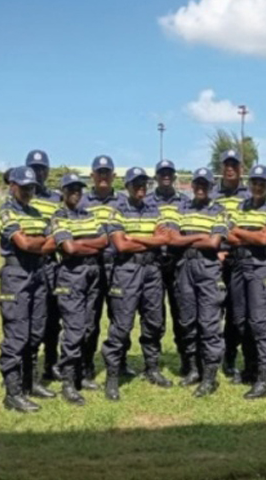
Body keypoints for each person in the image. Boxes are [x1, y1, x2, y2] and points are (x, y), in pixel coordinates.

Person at [102, 167, 176, 401]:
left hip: (152, 271)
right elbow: (121, 246)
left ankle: (151, 368)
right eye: (136, 184)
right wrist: (152, 240)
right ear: (127, 186)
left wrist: (134, 237)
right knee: (122, 325)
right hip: (126, 271)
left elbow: (166, 239)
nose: (140, 188)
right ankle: (113, 376)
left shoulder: (155, 210)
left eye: (144, 183)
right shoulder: (117, 211)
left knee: (154, 322)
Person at [0, 166, 57, 412]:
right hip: (16, 274)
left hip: (38, 274)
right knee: (17, 335)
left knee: (36, 332)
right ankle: (12, 393)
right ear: (12, 186)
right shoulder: (6, 211)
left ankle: (30, 383)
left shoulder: (36, 213)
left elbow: (54, 241)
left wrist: (36, 243)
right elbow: (22, 243)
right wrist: (39, 242)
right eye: (23, 187)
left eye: (32, 188)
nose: (28, 191)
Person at [50, 173, 109, 405]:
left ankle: (82, 374)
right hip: (72, 275)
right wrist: (85, 245)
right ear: (62, 192)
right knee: (74, 329)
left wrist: (80, 243)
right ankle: (68, 382)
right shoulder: (58, 216)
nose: (75, 192)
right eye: (71, 189)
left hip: (93, 273)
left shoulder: (89, 215)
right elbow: (69, 248)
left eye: (78, 189)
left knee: (89, 326)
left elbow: (104, 241)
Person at [226, 164, 266, 400]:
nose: (258, 186)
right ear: (249, 184)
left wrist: (241, 232)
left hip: (262, 268)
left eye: (262, 183)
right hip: (240, 267)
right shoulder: (240, 206)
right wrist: (253, 236)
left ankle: (265, 378)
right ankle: (250, 369)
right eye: (254, 182)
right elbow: (227, 234)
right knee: (241, 322)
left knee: (260, 324)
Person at [170, 167, 229, 397]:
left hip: (207, 269)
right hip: (184, 267)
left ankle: (210, 376)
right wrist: (200, 237)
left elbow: (214, 243)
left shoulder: (219, 210)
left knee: (209, 323)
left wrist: (186, 239)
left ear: (211, 187)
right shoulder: (180, 208)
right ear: (192, 185)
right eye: (198, 183)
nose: (201, 188)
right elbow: (172, 240)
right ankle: (194, 369)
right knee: (187, 321)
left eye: (206, 184)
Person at [78, 155, 131, 381]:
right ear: (92, 175)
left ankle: (120, 361)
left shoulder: (123, 202)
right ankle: (86, 364)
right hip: (91, 265)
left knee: (120, 317)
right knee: (89, 319)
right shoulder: (81, 201)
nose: (103, 176)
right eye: (99, 172)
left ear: (114, 175)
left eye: (107, 172)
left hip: (119, 265)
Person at [145, 159, 191, 381]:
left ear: (174, 177)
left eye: (169, 173)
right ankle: (152, 365)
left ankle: (187, 360)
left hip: (178, 263)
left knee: (183, 313)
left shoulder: (185, 202)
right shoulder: (146, 202)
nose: (166, 176)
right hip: (153, 263)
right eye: (162, 173)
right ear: (155, 177)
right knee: (153, 315)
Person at [210, 150, 250, 382]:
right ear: (221, 168)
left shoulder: (249, 195)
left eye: (235, 165)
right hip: (214, 259)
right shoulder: (212, 195)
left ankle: (231, 358)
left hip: (239, 259)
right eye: (227, 165)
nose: (230, 169)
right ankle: (212, 356)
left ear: (241, 168)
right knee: (213, 310)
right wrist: (216, 251)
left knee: (237, 313)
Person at [25, 150, 64, 383]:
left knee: (53, 317)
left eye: (42, 168)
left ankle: (51, 363)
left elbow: (60, 230)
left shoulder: (56, 198)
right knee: (30, 318)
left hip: (51, 264)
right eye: (34, 168)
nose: (38, 173)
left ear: (48, 171)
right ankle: (29, 368)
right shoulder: (22, 195)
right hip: (27, 264)